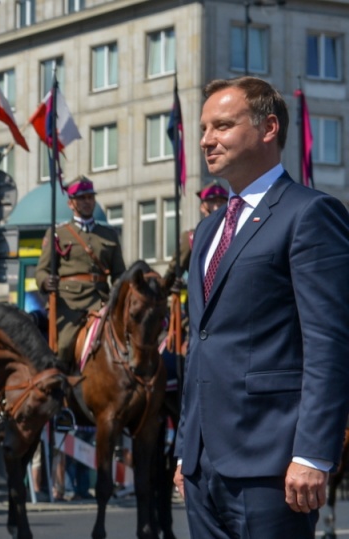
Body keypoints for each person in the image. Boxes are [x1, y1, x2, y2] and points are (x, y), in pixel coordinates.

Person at [173, 76, 349, 538]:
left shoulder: (309, 214)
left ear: (268, 128)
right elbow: (200, 345)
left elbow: (328, 343)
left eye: (223, 126)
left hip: (273, 465)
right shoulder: (208, 233)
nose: (207, 139)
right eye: (204, 127)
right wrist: (183, 450)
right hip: (201, 469)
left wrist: (312, 454)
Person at [35, 175, 126, 367]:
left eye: (90, 197)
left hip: (102, 300)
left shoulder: (108, 234)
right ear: (70, 203)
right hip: (69, 304)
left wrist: (119, 294)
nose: (87, 202)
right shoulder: (58, 233)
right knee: (65, 347)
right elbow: (42, 270)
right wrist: (45, 281)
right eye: (81, 198)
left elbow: (119, 273)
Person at [163, 180, 229, 288]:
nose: (217, 204)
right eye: (212, 201)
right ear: (202, 207)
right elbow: (174, 269)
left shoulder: (233, 231)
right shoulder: (191, 238)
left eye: (222, 201)